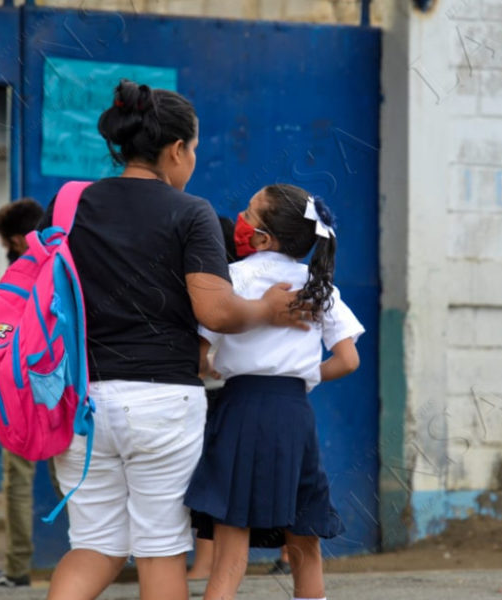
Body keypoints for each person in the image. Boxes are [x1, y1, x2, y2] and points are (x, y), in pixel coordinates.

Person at [42, 80, 307, 600]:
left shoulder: (69, 204)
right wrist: (266, 308)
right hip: (161, 403)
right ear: (177, 149)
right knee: (160, 551)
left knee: (94, 547)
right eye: (195, 149)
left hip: (81, 403)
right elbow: (216, 310)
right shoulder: (190, 212)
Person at [185, 184, 364, 600]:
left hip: (240, 410)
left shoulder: (233, 279)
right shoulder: (318, 286)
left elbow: (198, 353)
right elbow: (348, 359)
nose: (240, 219)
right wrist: (302, 375)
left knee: (231, 547)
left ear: (263, 238)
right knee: (304, 536)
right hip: (294, 414)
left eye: (248, 212)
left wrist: (210, 366)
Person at [0, 198, 45, 588]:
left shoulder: (16, 277)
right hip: (62, 386)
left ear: (19, 240)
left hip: (21, 390)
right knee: (72, 478)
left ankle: (18, 568)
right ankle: (94, 557)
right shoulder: (64, 268)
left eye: (7, 243)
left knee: (19, 480)